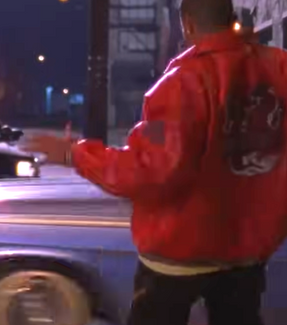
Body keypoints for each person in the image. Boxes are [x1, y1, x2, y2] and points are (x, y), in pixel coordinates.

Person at [25, 0, 287, 324]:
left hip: (180, 251)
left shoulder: (182, 82)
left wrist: (73, 153)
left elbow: (147, 171)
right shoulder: (278, 67)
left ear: (187, 25)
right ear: (232, 19)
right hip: (248, 250)